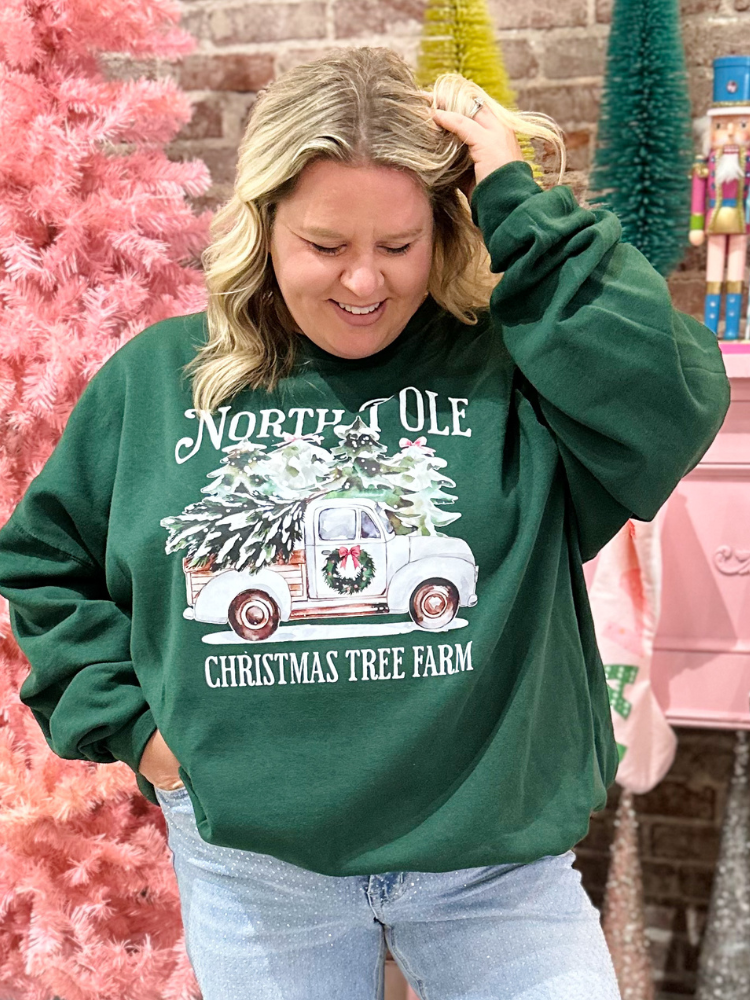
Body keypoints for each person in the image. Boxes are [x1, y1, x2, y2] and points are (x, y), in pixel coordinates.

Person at [0, 46, 730, 1000]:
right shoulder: (161, 380)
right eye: (324, 244)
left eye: (397, 245)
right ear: (265, 227)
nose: (361, 282)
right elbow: (44, 560)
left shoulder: (513, 369)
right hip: (258, 871)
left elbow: (671, 403)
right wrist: (142, 735)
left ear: (443, 229)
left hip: (496, 867)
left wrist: (517, 201)